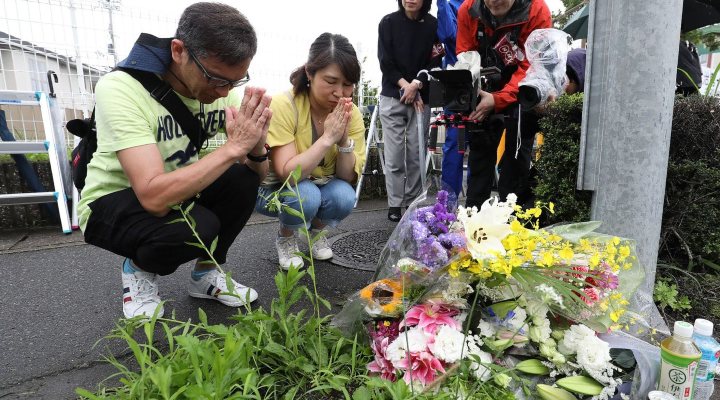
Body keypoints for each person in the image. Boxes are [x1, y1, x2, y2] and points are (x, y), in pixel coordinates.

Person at [77, 2, 271, 319]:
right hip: (113, 200)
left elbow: (258, 176)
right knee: (197, 228)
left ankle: (206, 274)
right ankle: (138, 271)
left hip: (179, 189)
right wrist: (232, 148)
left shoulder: (223, 93)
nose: (224, 93)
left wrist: (256, 142)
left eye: (235, 81)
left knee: (242, 180)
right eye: (215, 78)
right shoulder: (122, 88)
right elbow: (153, 197)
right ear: (179, 51)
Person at [254, 33, 366, 270]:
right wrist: (327, 138)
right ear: (309, 73)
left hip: (320, 183)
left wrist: (343, 139)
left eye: (347, 84)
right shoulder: (285, 104)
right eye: (331, 81)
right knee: (306, 195)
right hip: (276, 190)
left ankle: (315, 233)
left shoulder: (351, 113)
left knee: (344, 195)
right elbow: (288, 174)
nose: (340, 92)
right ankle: (286, 237)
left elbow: (347, 177)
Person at [456, 0, 551, 208]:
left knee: (516, 154)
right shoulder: (468, 10)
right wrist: (475, 94)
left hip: (523, 88)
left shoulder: (537, 10)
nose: (493, 3)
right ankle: (473, 215)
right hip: (485, 86)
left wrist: (499, 99)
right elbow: (466, 55)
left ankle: (513, 216)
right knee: (480, 154)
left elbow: (532, 64)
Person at [378, 0, 444, 222]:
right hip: (392, 95)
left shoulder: (433, 25)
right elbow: (385, 62)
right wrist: (406, 86)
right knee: (395, 155)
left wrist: (417, 84)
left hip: (420, 98)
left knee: (417, 152)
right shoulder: (387, 22)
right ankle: (395, 203)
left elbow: (435, 61)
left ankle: (413, 201)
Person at [437, 0, 467, 197]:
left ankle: (477, 205)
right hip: (458, 85)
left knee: (482, 147)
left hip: (485, 82)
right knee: (456, 144)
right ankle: (448, 205)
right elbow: (448, 35)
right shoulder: (449, 5)